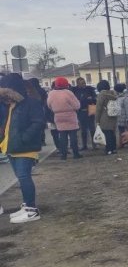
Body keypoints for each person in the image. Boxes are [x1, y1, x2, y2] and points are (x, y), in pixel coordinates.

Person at [0, 73, 45, 223]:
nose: (6, 97)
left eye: (8, 93)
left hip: (24, 147)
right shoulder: (11, 106)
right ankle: (27, 206)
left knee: (24, 177)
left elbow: (38, 123)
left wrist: (23, 138)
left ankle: (32, 210)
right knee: (21, 177)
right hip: (12, 146)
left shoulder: (31, 103)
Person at [47, 76, 82, 160]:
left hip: (58, 116)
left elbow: (49, 105)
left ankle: (63, 154)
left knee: (62, 136)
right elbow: (77, 105)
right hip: (70, 115)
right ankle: (75, 153)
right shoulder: (68, 93)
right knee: (73, 135)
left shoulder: (51, 93)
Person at [72, 77, 97, 150]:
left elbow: (94, 99)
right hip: (81, 112)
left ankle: (94, 144)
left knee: (92, 128)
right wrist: (85, 99)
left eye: (84, 83)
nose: (84, 85)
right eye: (82, 83)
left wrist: (91, 99)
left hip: (90, 110)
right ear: (78, 84)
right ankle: (84, 145)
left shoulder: (89, 89)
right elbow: (75, 100)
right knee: (83, 130)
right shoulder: (75, 90)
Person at [95, 80, 119, 155]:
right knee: (112, 133)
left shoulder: (102, 94)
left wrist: (97, 119)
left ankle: (108, 149)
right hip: (113, 114)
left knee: (106, 133)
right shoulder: (113, 93)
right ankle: (114, 148)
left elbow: (99, 108)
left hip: (105, 115)